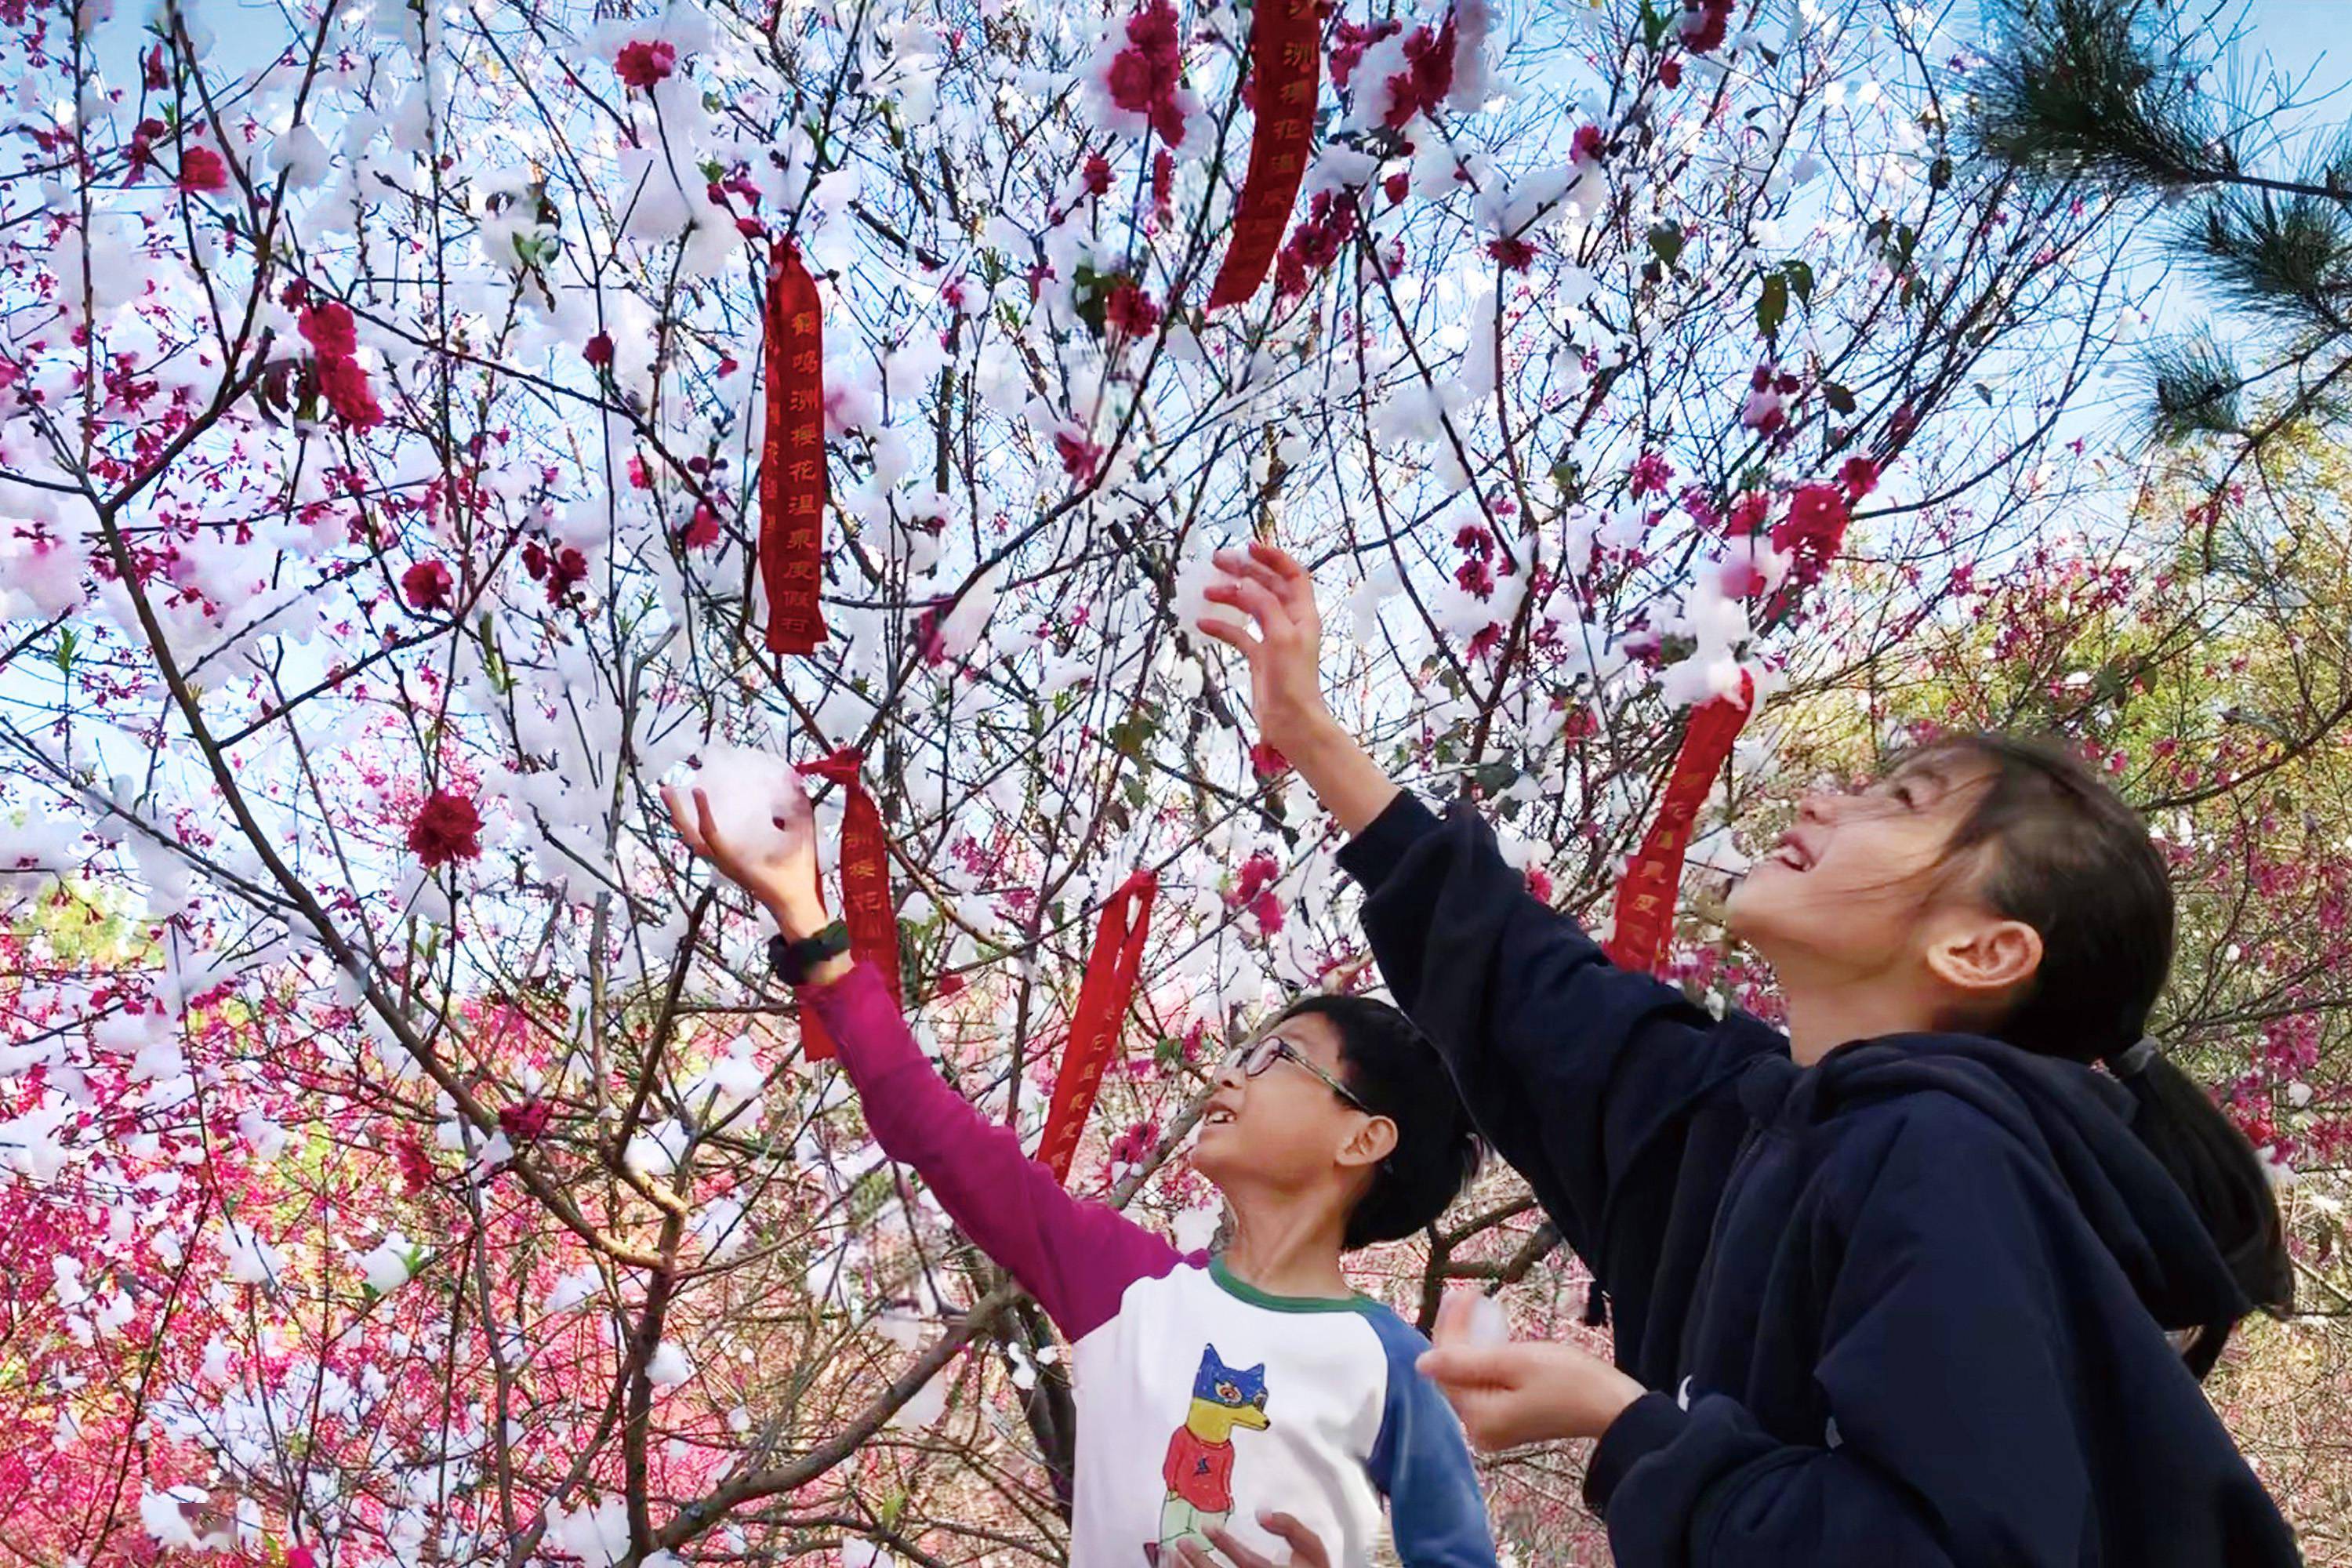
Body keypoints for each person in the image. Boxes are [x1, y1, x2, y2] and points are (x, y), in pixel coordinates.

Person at [1196, 539, 2301, 1567]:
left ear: (1982, 949)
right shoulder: (1735, 1126)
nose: (1827, 794)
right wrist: (1311, 732)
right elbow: (1524, 988)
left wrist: (1622, 1422)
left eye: (1902, 800)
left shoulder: (1950, 1158)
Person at [661, 768, 1498, 1568]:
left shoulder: (1392, 1363)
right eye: (1239, 1050)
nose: (1226, 1073)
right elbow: (933, 1128)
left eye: (1280, 1055)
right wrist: (810, 921)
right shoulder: (1129, 1286)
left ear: (1364, 1139)